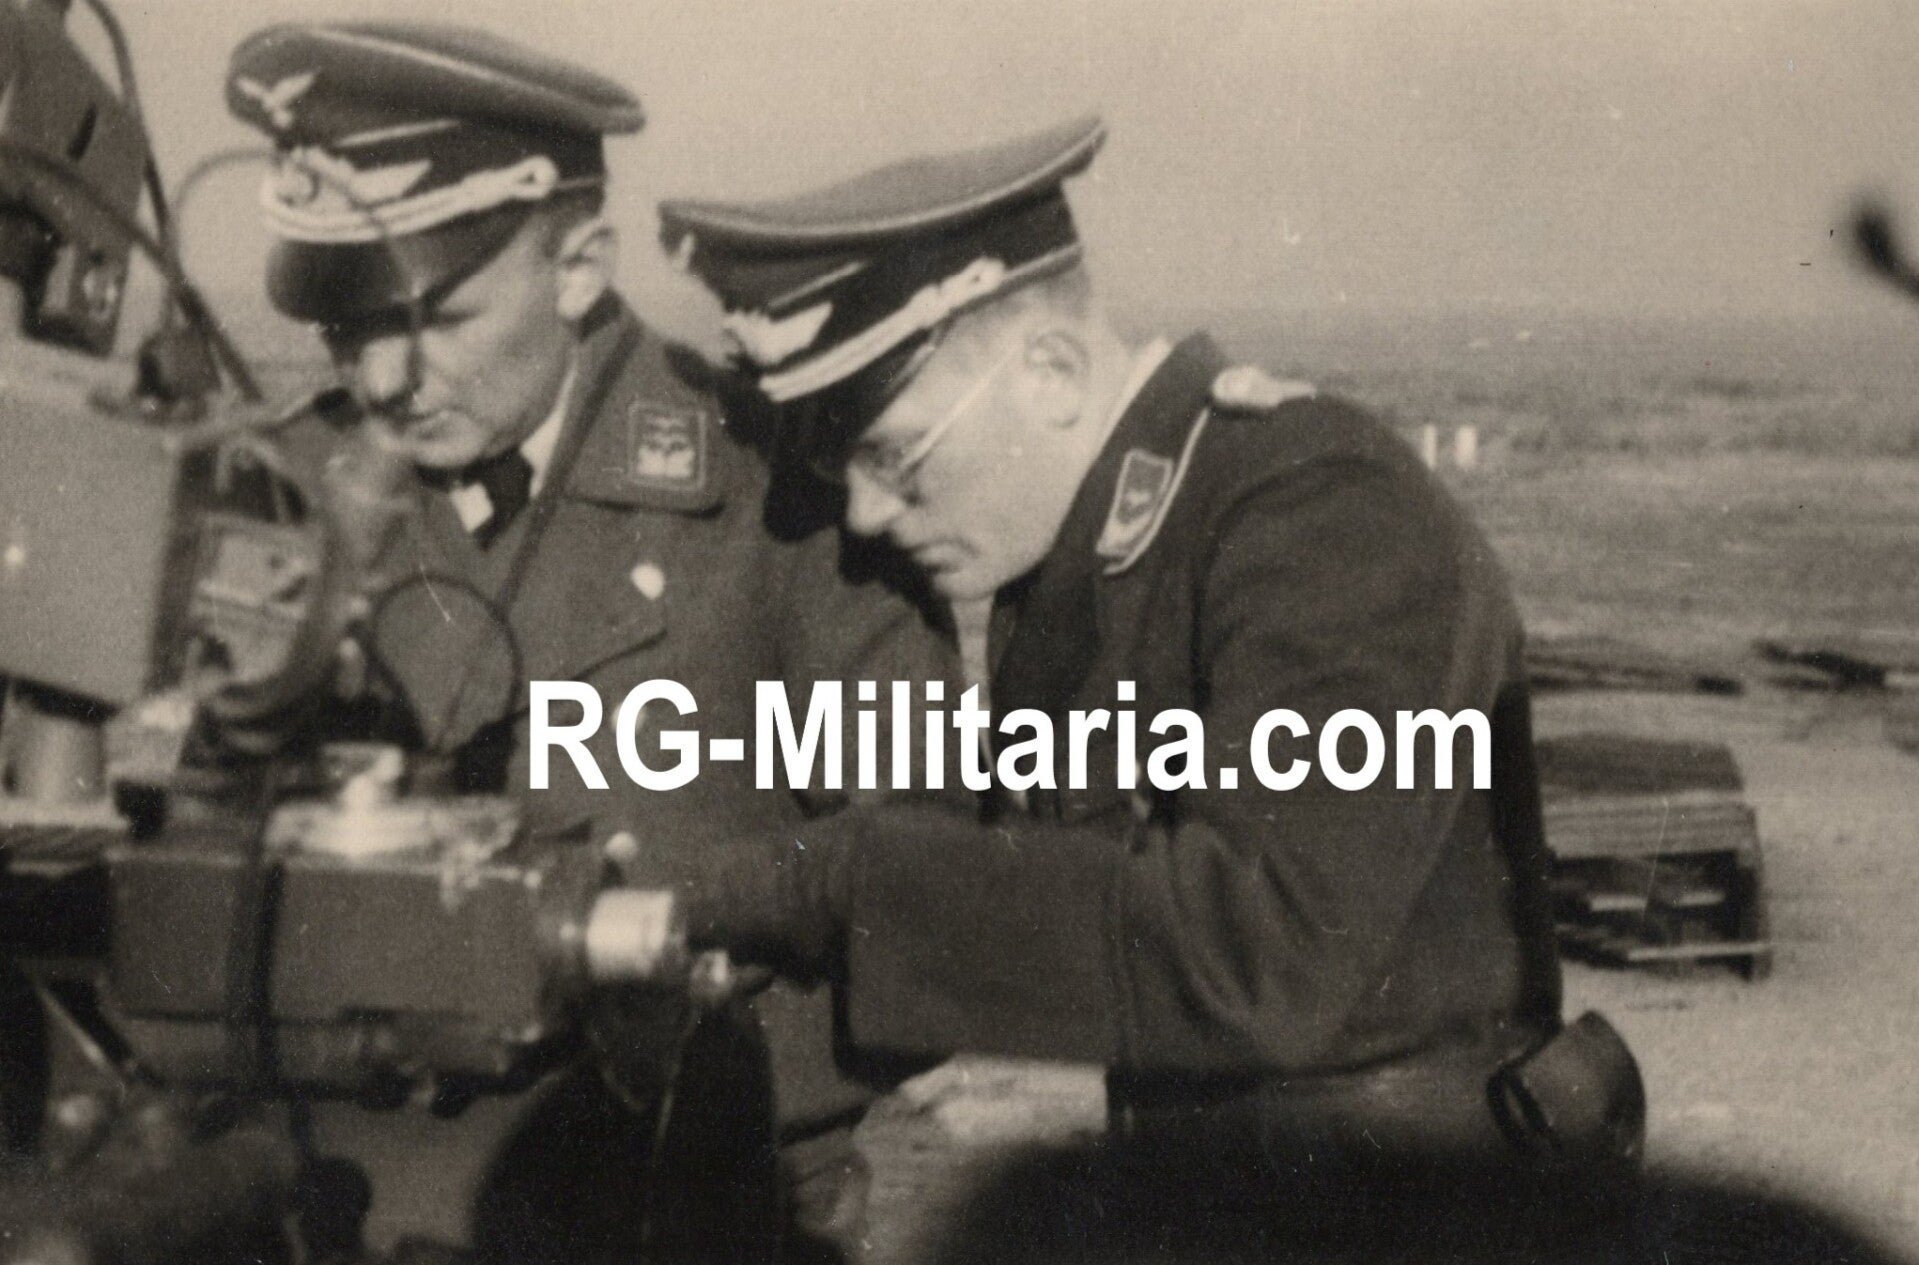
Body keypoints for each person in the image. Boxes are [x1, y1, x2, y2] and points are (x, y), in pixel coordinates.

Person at [653, 116, 1646, 1239]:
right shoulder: (1107, 554)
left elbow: (1262, 949)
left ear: (1054, 368)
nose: (868, 512)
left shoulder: (1320, 510)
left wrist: (828, 884)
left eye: (894, 455)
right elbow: (1039, 872)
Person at [223, 23, 952, 1264]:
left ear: (576, 267)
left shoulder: (771, 488)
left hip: (697, 1190)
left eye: (434, 313)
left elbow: (921, 870)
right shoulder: (291, 487)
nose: (387, 376)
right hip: (349, 1179)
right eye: (346, 326)